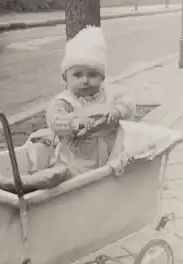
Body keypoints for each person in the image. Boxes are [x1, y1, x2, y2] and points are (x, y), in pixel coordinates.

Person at [46, 26, 136, 176]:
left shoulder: (109, 95)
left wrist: (118, 110)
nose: (85, 80)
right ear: (65, 79)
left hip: (109, 157)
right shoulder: (65, 101)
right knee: (63, 176)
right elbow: (54, 120)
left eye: (92, 75)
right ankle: (33, 182)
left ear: (102, 78)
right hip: (75, 162)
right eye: (77, 75)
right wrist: (74, 122)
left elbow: (129, 103)